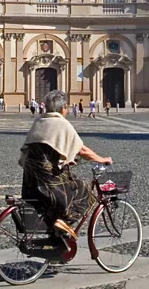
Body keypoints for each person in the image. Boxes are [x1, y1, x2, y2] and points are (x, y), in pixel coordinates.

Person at [20, 90, 112, 237]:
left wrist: (66, 159)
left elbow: (47, 148)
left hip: (31, 179)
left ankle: (56, 235)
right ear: (63, 108)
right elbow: (82, 150)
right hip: (49, 180)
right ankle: (65, 222)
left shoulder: (39, 121)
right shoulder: (61, 123)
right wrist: (102, 159)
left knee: (68, 183)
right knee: (83, 189)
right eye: (66, 107)